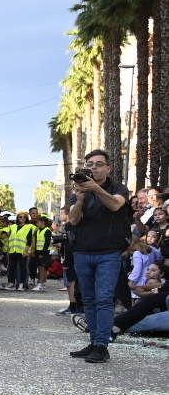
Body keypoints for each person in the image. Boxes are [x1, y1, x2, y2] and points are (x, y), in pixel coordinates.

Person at [65, 149, 132, 362]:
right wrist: (81, 199)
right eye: (90, 165)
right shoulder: (80, 191)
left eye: (98, 164)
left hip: (108, 253)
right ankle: (94, 342)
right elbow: (74, 220)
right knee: (89, 300)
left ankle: (102, 346)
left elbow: (114, 204)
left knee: (104, 299)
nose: (94, 167)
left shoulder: (119, 188)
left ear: (108, 168)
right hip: (82, 252)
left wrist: (95, 189)